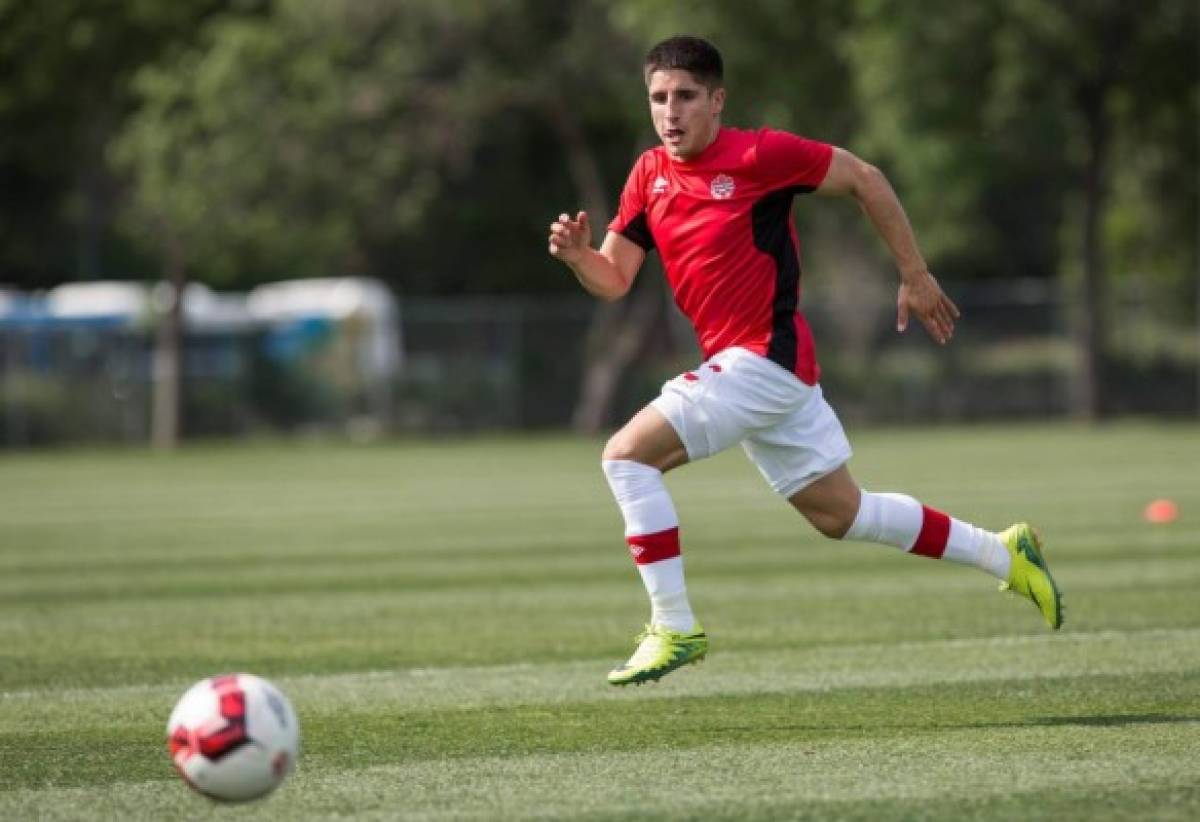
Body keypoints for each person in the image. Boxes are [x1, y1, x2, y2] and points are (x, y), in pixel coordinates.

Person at [547, 35, 1063, 687]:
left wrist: (915, 272)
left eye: (684, 97)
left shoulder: (761, 154)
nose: (669, 112)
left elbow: (864, 178)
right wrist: (577, 259)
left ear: (717, 100)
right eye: (657, 98)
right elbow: (615, 278)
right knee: (842, 514)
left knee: (625, 456)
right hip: (765, 374)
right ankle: (1003, 554)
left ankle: (674, 625)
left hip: (763, 359)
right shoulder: (649, 174)